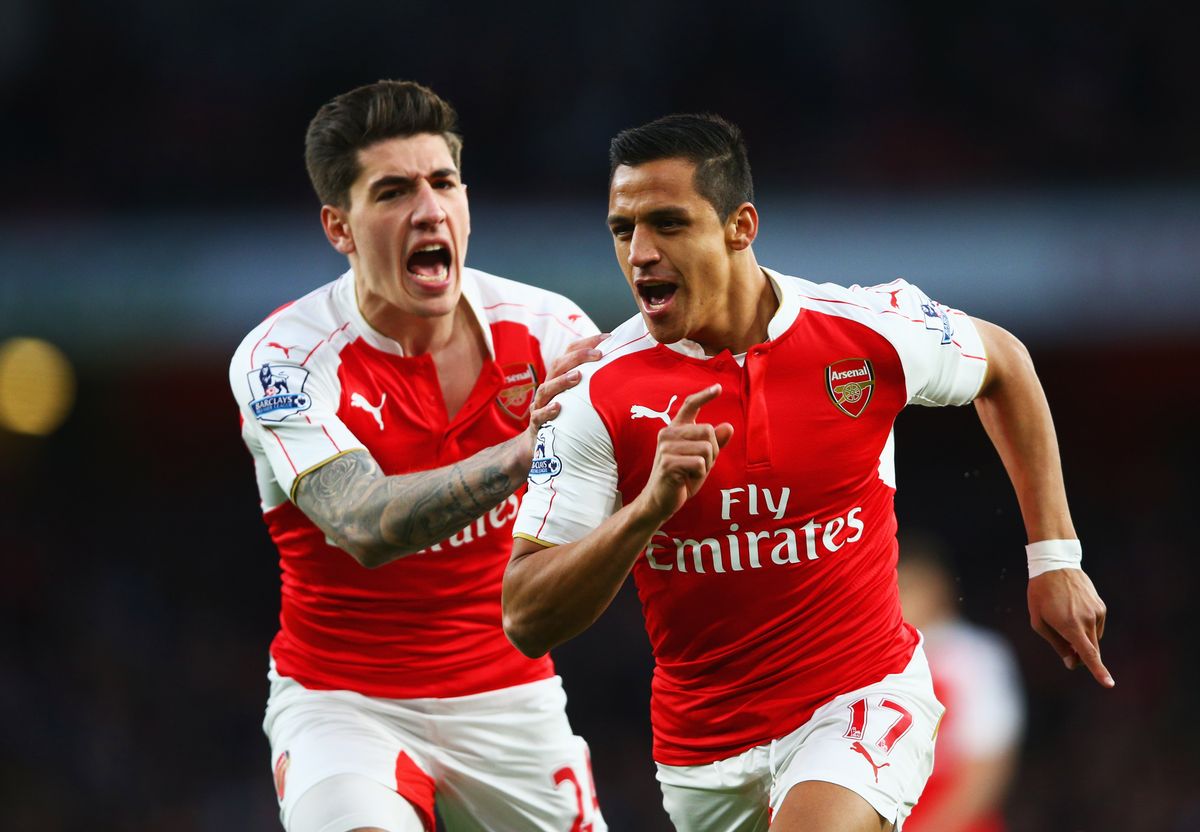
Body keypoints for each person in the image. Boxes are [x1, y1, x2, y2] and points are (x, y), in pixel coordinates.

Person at [502, 113, 1111, 832]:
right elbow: (526, 617)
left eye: (668, 224)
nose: (640, 254)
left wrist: (1056, 558)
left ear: (740, 225)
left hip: (861, 695)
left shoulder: (863, 330)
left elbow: (1005, 363)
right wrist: (646, 511)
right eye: (622, 229)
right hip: (704, 754)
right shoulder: (595, 391)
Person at [229, 80, 607, 832]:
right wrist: (523, 452)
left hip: (510, 696)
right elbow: (365, 525)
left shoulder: (549, 331)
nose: (429, 209)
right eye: (394, 191)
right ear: (339, 226)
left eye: (443, 183)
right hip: (344, 703)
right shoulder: (285, 361)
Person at [897, 534, 1025, 832]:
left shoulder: (974, 657)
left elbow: (988, 767)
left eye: (906, 588)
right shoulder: (875, 661)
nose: (897, 600)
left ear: (936, 589)